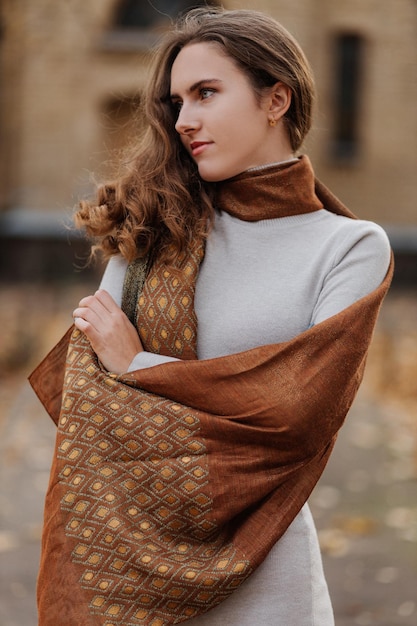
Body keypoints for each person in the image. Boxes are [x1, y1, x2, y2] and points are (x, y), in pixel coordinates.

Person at [30, 7, 392, 625]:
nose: (185, 120)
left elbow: (296, 416)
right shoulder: (153, 232)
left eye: (206, 93)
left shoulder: (349, 247)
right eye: (176, 102)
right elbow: (89, 416)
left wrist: (137, 365)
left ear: (275, 98)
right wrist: (214, 399)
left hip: (269, 586)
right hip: (125, 581)